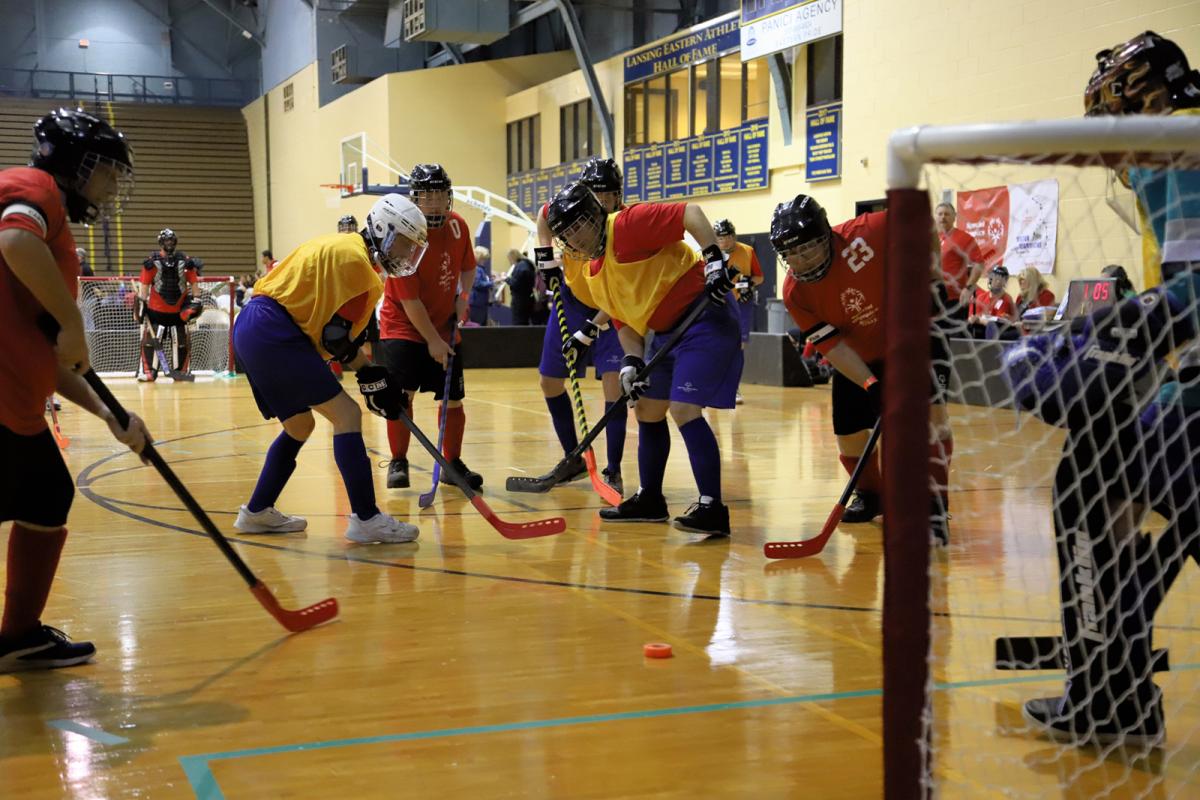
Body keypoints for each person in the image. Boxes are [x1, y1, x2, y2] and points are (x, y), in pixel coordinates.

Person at [1015, 29, 1200, 747]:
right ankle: (1114, 685)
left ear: (1143, 100)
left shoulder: (1170, 145)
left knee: (1087, 489)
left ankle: (1107, 695)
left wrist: (1119, 329)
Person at [0, 107, 149, 672]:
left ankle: (18, 637)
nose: (112, 187)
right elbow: (15, 239)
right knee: (39, 491)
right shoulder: (36, 189)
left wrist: (111, 416)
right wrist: (71, 320)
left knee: (43, 493)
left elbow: (53, 357)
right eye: (107, 172)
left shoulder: (51, 220)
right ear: (75, 164)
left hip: (13, 399)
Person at [546, 182, 740, 535]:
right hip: (665, 333)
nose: (576, 238)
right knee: (647, 409)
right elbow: (624, 321)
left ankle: (713, 506)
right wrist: (631, 362)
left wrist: (714, 260)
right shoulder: (593, 272)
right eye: (567, 234)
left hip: (704, 316)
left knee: (683, 408)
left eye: (579, 226)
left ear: (594, 215)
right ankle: (650, 498)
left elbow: (690, 213)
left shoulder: (627, 224)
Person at [232, 193, 424, 544]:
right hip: (273, 329)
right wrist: (371, 374)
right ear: (383, 230)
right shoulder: (358, 264)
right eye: (403, 243)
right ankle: (366, 518)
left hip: (253, 327)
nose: (407, 254)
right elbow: (336, 337)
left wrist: (369, 374)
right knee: (347, 415)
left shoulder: (347, 247)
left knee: (299, 424)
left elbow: (332, 333)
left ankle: (257, 511)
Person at [772, 194, 955, 543]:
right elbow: (833, 347)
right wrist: (871, 383)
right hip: (859, 352)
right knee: (850, 433)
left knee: (928, 423)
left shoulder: (868, 231)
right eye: (790, 254)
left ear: (826, 235)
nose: (800, 261)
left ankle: (934, 506)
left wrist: (932, 278)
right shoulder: (796, 292)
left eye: (806, 249)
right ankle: (872, 496)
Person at [376, 164, 482, 491]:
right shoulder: (403, 233)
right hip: (403, 327)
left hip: (444, 323)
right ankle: (398, 461)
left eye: (440, 195)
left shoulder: (458, 226)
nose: (434, 203)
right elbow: (411, 302)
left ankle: (452, 463)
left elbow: (467, 267)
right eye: (427, 196)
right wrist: (433, 342)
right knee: (401, 397)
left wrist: (463, 296)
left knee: (452, 397)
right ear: (415, 198)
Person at [534, 157, 629, 493]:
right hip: (574, 301)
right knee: (549, 382)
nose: (600, 201)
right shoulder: (572, 208)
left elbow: (619, 296)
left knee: (614, 387)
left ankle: (613, 468)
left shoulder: (624, 227)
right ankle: (572, 457)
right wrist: (545, 259)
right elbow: (544, 215)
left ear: (618, 196)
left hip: (613, 309)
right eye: (595, 193)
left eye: (607, 194)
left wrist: (590, 330)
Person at [135, 228, 203, 381]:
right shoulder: (151, 262)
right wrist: (141, 304)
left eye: (171, 241)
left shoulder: (185, 261)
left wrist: (197, 299)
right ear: (161, 242)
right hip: (156, 310)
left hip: (179, 310)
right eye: (166, 241)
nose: (169, 244)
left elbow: (193, 281)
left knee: (181, 341)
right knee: (151, 341)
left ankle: (180, 371)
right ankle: (149, 372)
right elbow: (144, 285)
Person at [713, 219, 764, 405]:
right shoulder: (710, 255)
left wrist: (748, 284)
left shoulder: (747, 251)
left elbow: (760, 277)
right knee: (717, 344)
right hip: (720, 303)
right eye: (720, 238)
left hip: (742, 304)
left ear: (734, 236)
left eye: (728, 237)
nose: (725, 242)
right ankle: (715, 384)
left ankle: (734, 387)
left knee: (739, 345)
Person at [935, 202, 984, 331]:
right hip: (934, 299)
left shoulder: (964, 238)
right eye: (940, 214)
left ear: (954, 217)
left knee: (954, 341)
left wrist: (968, 288)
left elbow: (979, 264)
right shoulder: (931, 238)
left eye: (947, 214)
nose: (943, 217)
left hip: (955, 299)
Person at [967, 264, 1017, 338]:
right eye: (995, 278)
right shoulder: (981, 298)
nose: (998, 282)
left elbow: (996, 324)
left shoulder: (1006, 299)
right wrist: (975, 319)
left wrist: (979, 320)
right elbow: (971, 318)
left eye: (1001, 279)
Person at [505, 248, 537, 324]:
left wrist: (506, 279)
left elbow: (516, 283)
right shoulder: (527, 264)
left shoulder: (521, 266)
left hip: (520, 300)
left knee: (519, 323)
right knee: (524, 323)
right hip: (527, 298)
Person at [468, 245, 493, 326]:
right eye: (483, 259)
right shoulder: (477, 269)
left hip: (480, 303)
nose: (484, 261)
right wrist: (493, 282)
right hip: (477, 303)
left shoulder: (479, 269)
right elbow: (477, 284)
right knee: (478, 326)